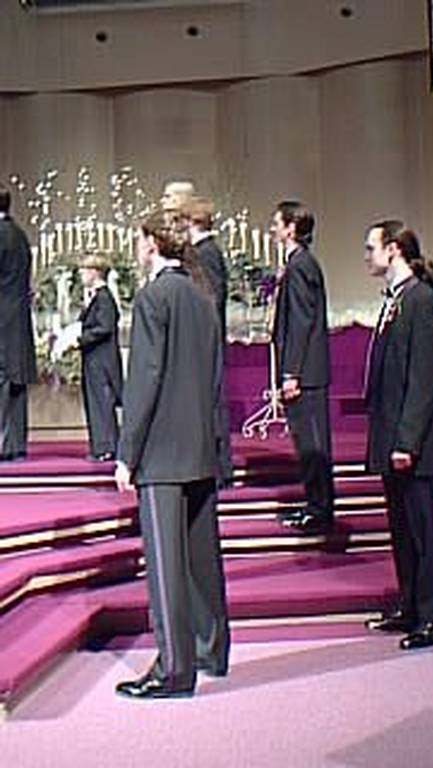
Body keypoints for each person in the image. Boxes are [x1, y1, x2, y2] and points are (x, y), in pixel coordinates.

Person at [114, 211, 229, 699]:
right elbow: (216, 376)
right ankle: (209, 651)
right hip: (201, 446)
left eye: (139, 241)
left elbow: (144, 379)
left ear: (151, 244)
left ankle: (175, 671)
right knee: (202, 561)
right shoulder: (203, 297)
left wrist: (127, 453)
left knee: (165, 566)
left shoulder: (153, 297)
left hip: (162, 451)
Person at [363, 220, 433, 650]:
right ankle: (411, 604)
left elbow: (424, 379)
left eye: (371, 247)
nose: (367, 256)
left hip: (412, 441)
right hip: (393, 435)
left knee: (424, 530)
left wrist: (407, 441)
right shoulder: (397, 299)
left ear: (394, 249)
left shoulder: (421, 300)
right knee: (402, 529)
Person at [161, 187, 233, 484]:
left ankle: (220, 469)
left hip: (206, 344)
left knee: (211, 406)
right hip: (202, 343)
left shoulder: (206, 253)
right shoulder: (199, 252)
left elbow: (211, 300)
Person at [272, 200, 334, 534]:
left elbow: (300, 321)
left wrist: (291, 372)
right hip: (306, 372)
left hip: (306, 374)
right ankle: (315, 504)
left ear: (291, 228)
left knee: (312, 445)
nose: (273, 228)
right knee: (307, 443)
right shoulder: (300, 263)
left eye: (277, 223)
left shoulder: (299, 265)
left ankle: (319, 509)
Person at [0, 183, 37, 461]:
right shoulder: (20, 235)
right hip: (18, 321)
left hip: (2, 320)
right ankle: (15, 445)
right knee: (16, 383)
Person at [78, 254, 123, 461]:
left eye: (84, 271)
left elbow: (104, 327)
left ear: (95, 273)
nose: (81, 275)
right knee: (96, 403)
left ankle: (107, 447)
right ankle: (101, 446)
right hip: (94, 359)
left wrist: (80, 339)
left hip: (102, 361)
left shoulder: (104, 298)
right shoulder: (96, 297)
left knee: (102, 404)